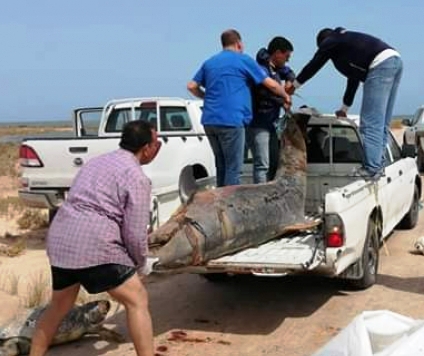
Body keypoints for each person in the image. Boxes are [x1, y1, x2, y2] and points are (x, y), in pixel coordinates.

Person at [30, 120, 161, 356]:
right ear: (147, 148)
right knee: (137, 300)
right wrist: (141, 263)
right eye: (157, 142)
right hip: (96, 244)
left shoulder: (97, 162)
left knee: (59, 305)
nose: (158, 146)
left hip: (62, 239)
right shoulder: (137, 177)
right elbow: (134, 231)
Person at [290, 27, 403, 180]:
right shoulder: (348, 46)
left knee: (370, 123)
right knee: (381, 122)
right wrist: (344, 109)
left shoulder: (332, 40)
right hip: (395, 60)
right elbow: (353, 79)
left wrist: (294, 85)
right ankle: (378, 164)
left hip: (380, 64)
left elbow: (314, 65)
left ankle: (371, 169)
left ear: (323, 43)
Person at [187, 29, 291, 187]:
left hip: (209, 120)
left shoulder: (210, 62)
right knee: (233, 169)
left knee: (221, 166)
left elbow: (192, 86)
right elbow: (270, 84)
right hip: (232, 120)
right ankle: (229, 207)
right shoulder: (243, 60)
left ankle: (220, 206)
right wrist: (285, 96)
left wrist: (205, 97)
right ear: (239, 44)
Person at [248, 36, 296, 183]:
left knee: (274, 162)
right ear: (277, 53)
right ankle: (261, 195)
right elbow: (263, 93)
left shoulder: (275, 68)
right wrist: (283, 100)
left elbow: (289, 72)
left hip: (271, 124)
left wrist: (288, 81)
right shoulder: (260, 70)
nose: (287, 60)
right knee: (262, 164)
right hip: (259, 123)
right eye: (286, 57)